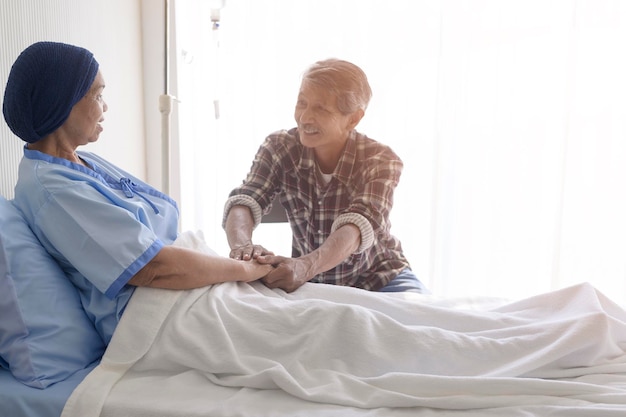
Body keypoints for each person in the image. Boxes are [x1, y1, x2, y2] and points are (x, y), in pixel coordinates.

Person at [3, 41, 273, 345]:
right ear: (62, 102)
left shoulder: (73, 163)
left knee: (306, 311)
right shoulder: (53, 189)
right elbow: (153, 268)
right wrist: (245, 270)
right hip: (154, 317)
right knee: (305, 327)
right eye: (98, 94)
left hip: (178, 296)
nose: (105, 107)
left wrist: (245, 268)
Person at [223, 58, 427, 294]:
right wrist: (243, 249)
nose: (304, 117)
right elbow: (246, 199)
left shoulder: (381, 160)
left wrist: (305, 266)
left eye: (320, 108)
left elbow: (357, 226)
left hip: (381, 278)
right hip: (314, 283)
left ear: (353, 118)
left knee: (426, 323)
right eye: (302, 103)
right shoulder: (279, 147)